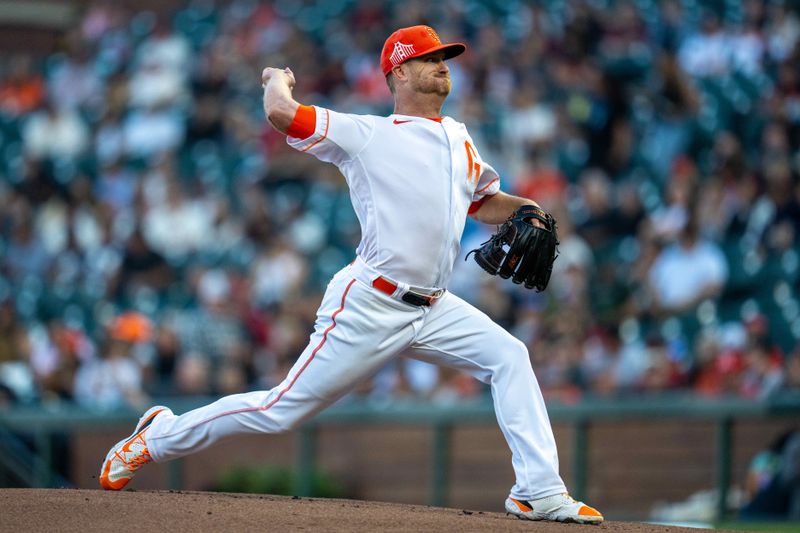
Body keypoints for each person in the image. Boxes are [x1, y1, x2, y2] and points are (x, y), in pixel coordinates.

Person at [98, 25, 603, 524]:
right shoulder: (366, 134)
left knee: (510, 356)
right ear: (400, 71)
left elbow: (484, 201)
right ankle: (156, 437)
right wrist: (277, 76)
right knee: (280, 410)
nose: (443, 65)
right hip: (370, 302)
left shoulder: (458, 138)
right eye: (430, 59)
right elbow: (281, 113)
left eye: (445, 57)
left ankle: (538, 490)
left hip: (435, 305)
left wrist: (527, 208)